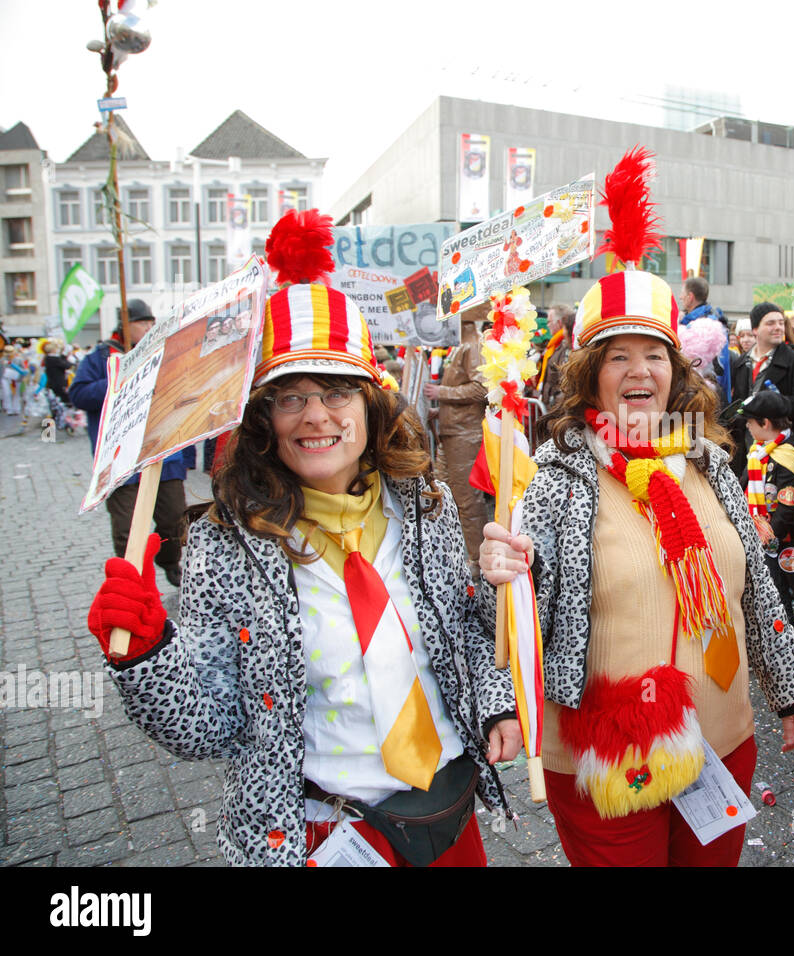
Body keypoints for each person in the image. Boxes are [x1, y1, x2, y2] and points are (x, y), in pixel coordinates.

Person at [84, 209, 520, 867]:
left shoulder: (422, 506)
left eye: (337, 393)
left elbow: (461, 631)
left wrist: (494, 702)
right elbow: (207, 724)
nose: (316, 415)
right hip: (330, 835)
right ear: (265, 419)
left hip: (449, 817)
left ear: (371, 409)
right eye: (291, 397)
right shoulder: (223, 545)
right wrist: (147, 653)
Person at [479, 266, 794, 867]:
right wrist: (504, 572)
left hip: (721, 740)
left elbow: (754, 591)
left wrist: (789, 692)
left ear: (675, 372)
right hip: (610, 752)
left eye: (654, 354)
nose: (639, 371)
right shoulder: (553, 479)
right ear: (589, 376)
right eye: (617, 357)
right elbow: (513, 621)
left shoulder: (709, 464)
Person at [69, 299, 193, 588]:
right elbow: (79, 394)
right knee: (126, 530)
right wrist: (119, 380)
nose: (150, 328)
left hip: (163, 456)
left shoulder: (163, 354)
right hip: (120, 460)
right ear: (125, 325)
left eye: (152, 322)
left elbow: (180, 402)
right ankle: (133, 582)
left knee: (174, 521)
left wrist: (185, 456)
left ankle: (169, 561)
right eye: (143, 323)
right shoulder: (100, 359)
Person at [738, 388, 794, 621]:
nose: (747, 426)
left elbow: (787, 511)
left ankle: (786, 643)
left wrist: (764, 538)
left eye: (750, 422)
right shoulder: (759, 451)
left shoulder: (788, 458)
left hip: (778, 541)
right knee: (763, 594)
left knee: (780, 594)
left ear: (765, 423)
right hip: (756, 536)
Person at [721, 302, 794, 481]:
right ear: (756, 329)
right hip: (748, 451)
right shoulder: (741, 363)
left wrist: (772, 403)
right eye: (770, 323)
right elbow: (739, 403)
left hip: (782, 452)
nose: (778, 327)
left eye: (781, 322)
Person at [425, 304, 489, 565]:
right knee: (444, 495)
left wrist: (442, 394)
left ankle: (477, 560)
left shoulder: (472, 344)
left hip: (465, 433)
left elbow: (480, 389)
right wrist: (439, 410)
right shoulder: (460, 343)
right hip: (452, 432)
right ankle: (454, 556)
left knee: (467, 501)